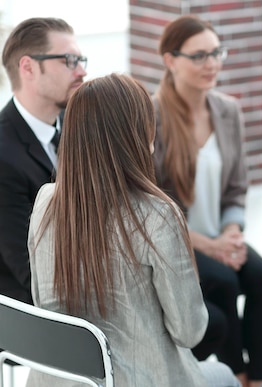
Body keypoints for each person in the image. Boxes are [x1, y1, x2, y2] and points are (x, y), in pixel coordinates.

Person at [27, 73, 241, 386]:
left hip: (60, 378)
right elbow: (190, 331)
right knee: (225, 377)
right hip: (140, 380)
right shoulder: (158, 214)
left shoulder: (46, 199)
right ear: (138, 134)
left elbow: (40, 299)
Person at [152, 15, 262, 387]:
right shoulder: (152, 116)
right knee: (223, 281)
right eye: (200, 56)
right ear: (170, 60)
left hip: (221, 236)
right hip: (177, 239)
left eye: (216, 53)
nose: (212, 64)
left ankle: (260, 381)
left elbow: (237, 187)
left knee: (261, 277)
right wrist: (210, 246)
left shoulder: (227, 110)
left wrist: (232, 235)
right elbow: (153, 205)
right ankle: (236, 376)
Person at [0, 17, 86, 304]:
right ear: (28, 67)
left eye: (81, 60)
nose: (82, 71)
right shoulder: (3, 155)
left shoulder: (77, 124)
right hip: (37, 312)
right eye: (69, 60)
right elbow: (28, 271)